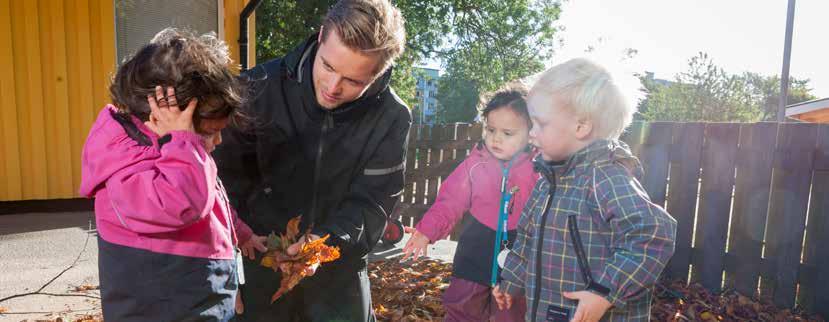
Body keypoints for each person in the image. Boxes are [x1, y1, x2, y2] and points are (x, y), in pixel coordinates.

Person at [212, 0, 410, 321]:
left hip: (338, 265)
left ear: (379, 73)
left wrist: (324, 241)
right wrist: (222, 268)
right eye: (328, 67)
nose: (333, 88)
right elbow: (218, 185)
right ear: (320, 37)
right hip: (258, 258)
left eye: (354, 81)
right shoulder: (255, 88)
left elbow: (374, 201)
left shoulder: (392, 117)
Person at [79, 28, 267, 322]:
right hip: (166, 308)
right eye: (210, 133)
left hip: (198, 297)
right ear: (159, 118)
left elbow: (212, 200)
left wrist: (240, 232)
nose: (217, 142)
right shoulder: (128, 166)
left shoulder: (179, 154)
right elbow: (184, 204)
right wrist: (184, 140)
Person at [493, 58, 677, 322]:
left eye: (540, 124)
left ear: (581, 126)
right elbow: (527, 240)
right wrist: (511, 280)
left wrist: (604, 292)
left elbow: (652, 235)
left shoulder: (604, 177)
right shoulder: (548, 181)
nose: (530, 133)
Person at [401, 85, 538, 321]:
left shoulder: (538, 170)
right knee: (462, 307)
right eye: (491, 129)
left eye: (507, 133)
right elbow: (449, 202)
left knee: (511, 313)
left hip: (518, 258)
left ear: (530, 133)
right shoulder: (474, 165)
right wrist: (426, 231)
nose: (496, 138)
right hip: (473, 252)